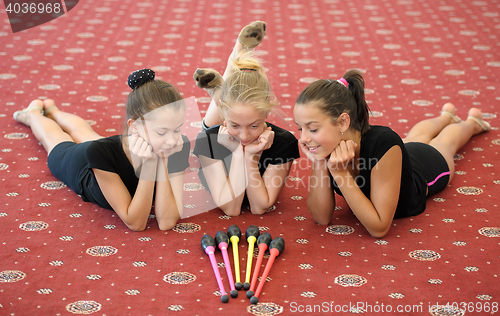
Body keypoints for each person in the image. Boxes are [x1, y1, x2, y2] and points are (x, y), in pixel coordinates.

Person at [293, 69, 491, 238]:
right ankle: (446, 116)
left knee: (445, 142)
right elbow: (321, 218)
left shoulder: (384, 143)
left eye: (313, 128)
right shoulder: (327, 144)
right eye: (301, 129)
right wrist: (319, 163)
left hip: (424, 167)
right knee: (417, 135)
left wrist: (340, 174)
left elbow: (379, 228)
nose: (303, 138)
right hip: (394, 158)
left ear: (343, 122)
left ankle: (472, 123)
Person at [13, 69, 190, 231]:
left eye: (177, 129)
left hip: (123, 146)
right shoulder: (100, 153)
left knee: (84, 132)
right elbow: (136, 223)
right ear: (134, 126)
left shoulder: (174, 145)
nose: (172, 140)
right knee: (53, 138)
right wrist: (150, 164)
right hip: (81, 164)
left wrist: (165, 160)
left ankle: (53, 111)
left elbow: (166, 221)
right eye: (162, 131)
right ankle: (32, 115)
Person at [192, 21, 300, 216]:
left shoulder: (284, 142)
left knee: (226, 110)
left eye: (254, 125)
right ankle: (227, 77)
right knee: (209, 128)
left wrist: (250, 157)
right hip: (218, 126)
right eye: (235, 125)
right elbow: (231, 209)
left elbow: (259, 207)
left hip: (228, 111)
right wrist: (236, 153)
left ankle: (220, 91)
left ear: (267, 113)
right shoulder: (208, 142)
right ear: (225, 118)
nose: (244, 135)